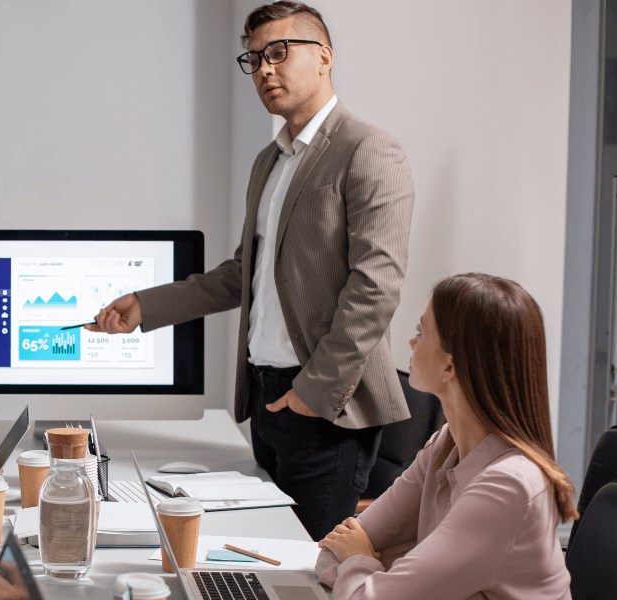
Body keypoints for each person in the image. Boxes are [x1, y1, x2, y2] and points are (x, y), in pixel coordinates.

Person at [86, 0, 413, 540]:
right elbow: (245, 273)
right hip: (266, 397)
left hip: (324, 404)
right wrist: (146, 306)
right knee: (265, 555)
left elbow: (376, 287)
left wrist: (313, 392)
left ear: (324, 56)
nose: (264, 69)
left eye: (279, 52)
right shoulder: (270, 162)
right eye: (255, 58)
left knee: (310, 566)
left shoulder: (368, 149)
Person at [316, 273, 576, 599]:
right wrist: (367, 564)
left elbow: (363, 592)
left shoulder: (508, 486)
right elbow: (331, 552)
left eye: (421, 332)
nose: (412, 343)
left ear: (451, 367)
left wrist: (360, 559)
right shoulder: (446, 444)